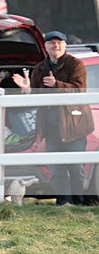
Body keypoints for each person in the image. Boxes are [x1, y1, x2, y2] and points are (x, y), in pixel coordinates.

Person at [12, 31, 94, 205]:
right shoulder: (39, 68)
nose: (55, 46)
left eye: (59, 43)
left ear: (64, 45)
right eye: (51, 43)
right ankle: (63, 203)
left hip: (74, 125)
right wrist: (26, 89)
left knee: (76, 167)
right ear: (46, 47)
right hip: (50, 127)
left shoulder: (76, 65)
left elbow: (79, 90)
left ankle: (78, 203)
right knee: (56, 168)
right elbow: (34, 96)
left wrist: (57, 84)